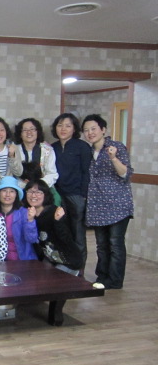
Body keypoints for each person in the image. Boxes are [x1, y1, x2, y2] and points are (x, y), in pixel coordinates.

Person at [82, 114, 134, 289]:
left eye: (93, 129)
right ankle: (102, 277)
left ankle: (115, 280)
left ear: (103, 130)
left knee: (115, 244)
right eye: (86, 130)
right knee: (101, 245)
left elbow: (125, 174)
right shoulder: (88, 152)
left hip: (118, 204)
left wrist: (113, 158)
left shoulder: (116, 147)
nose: (90, 133)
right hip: (97, 205)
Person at [51, 113, 91, 270]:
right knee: (61, 232)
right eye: (60, 125)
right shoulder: (51, 148)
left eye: (68, 126)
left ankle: (79, 271)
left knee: (78, 234)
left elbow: (87, 172)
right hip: (58, 196)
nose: (63, 129)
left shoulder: (82, 147)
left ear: (74, 129)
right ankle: (64, 269)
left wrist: (84, 195)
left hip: (76, 196)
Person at [22, 180, 82, 275]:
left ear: (45, 195)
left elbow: (67, 239)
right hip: (50, 259)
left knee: (51, 279)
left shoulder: (55, 212)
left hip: (68, 262)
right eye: (30, 191)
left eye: (38, 192)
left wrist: (58, 222)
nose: (33, 195)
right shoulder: (27, 214)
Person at [0, 176, 38, 261]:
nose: (8, 194)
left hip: (22, 261)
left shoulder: (24, 213)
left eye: (12, 191)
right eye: (4, 190)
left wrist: (30, 220)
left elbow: (31, 239)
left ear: (16, 195)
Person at [14, 118, 58, 191]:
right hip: (20, 189)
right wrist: (24, 185)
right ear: (20, 134)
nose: (29, 132)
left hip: (43, 188)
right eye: (25, 130)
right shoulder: (14, 150)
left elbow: (52, 174)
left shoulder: (47, 150)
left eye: (32, 129)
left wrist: (37, 185)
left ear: (38, 132)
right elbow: (12, 174)